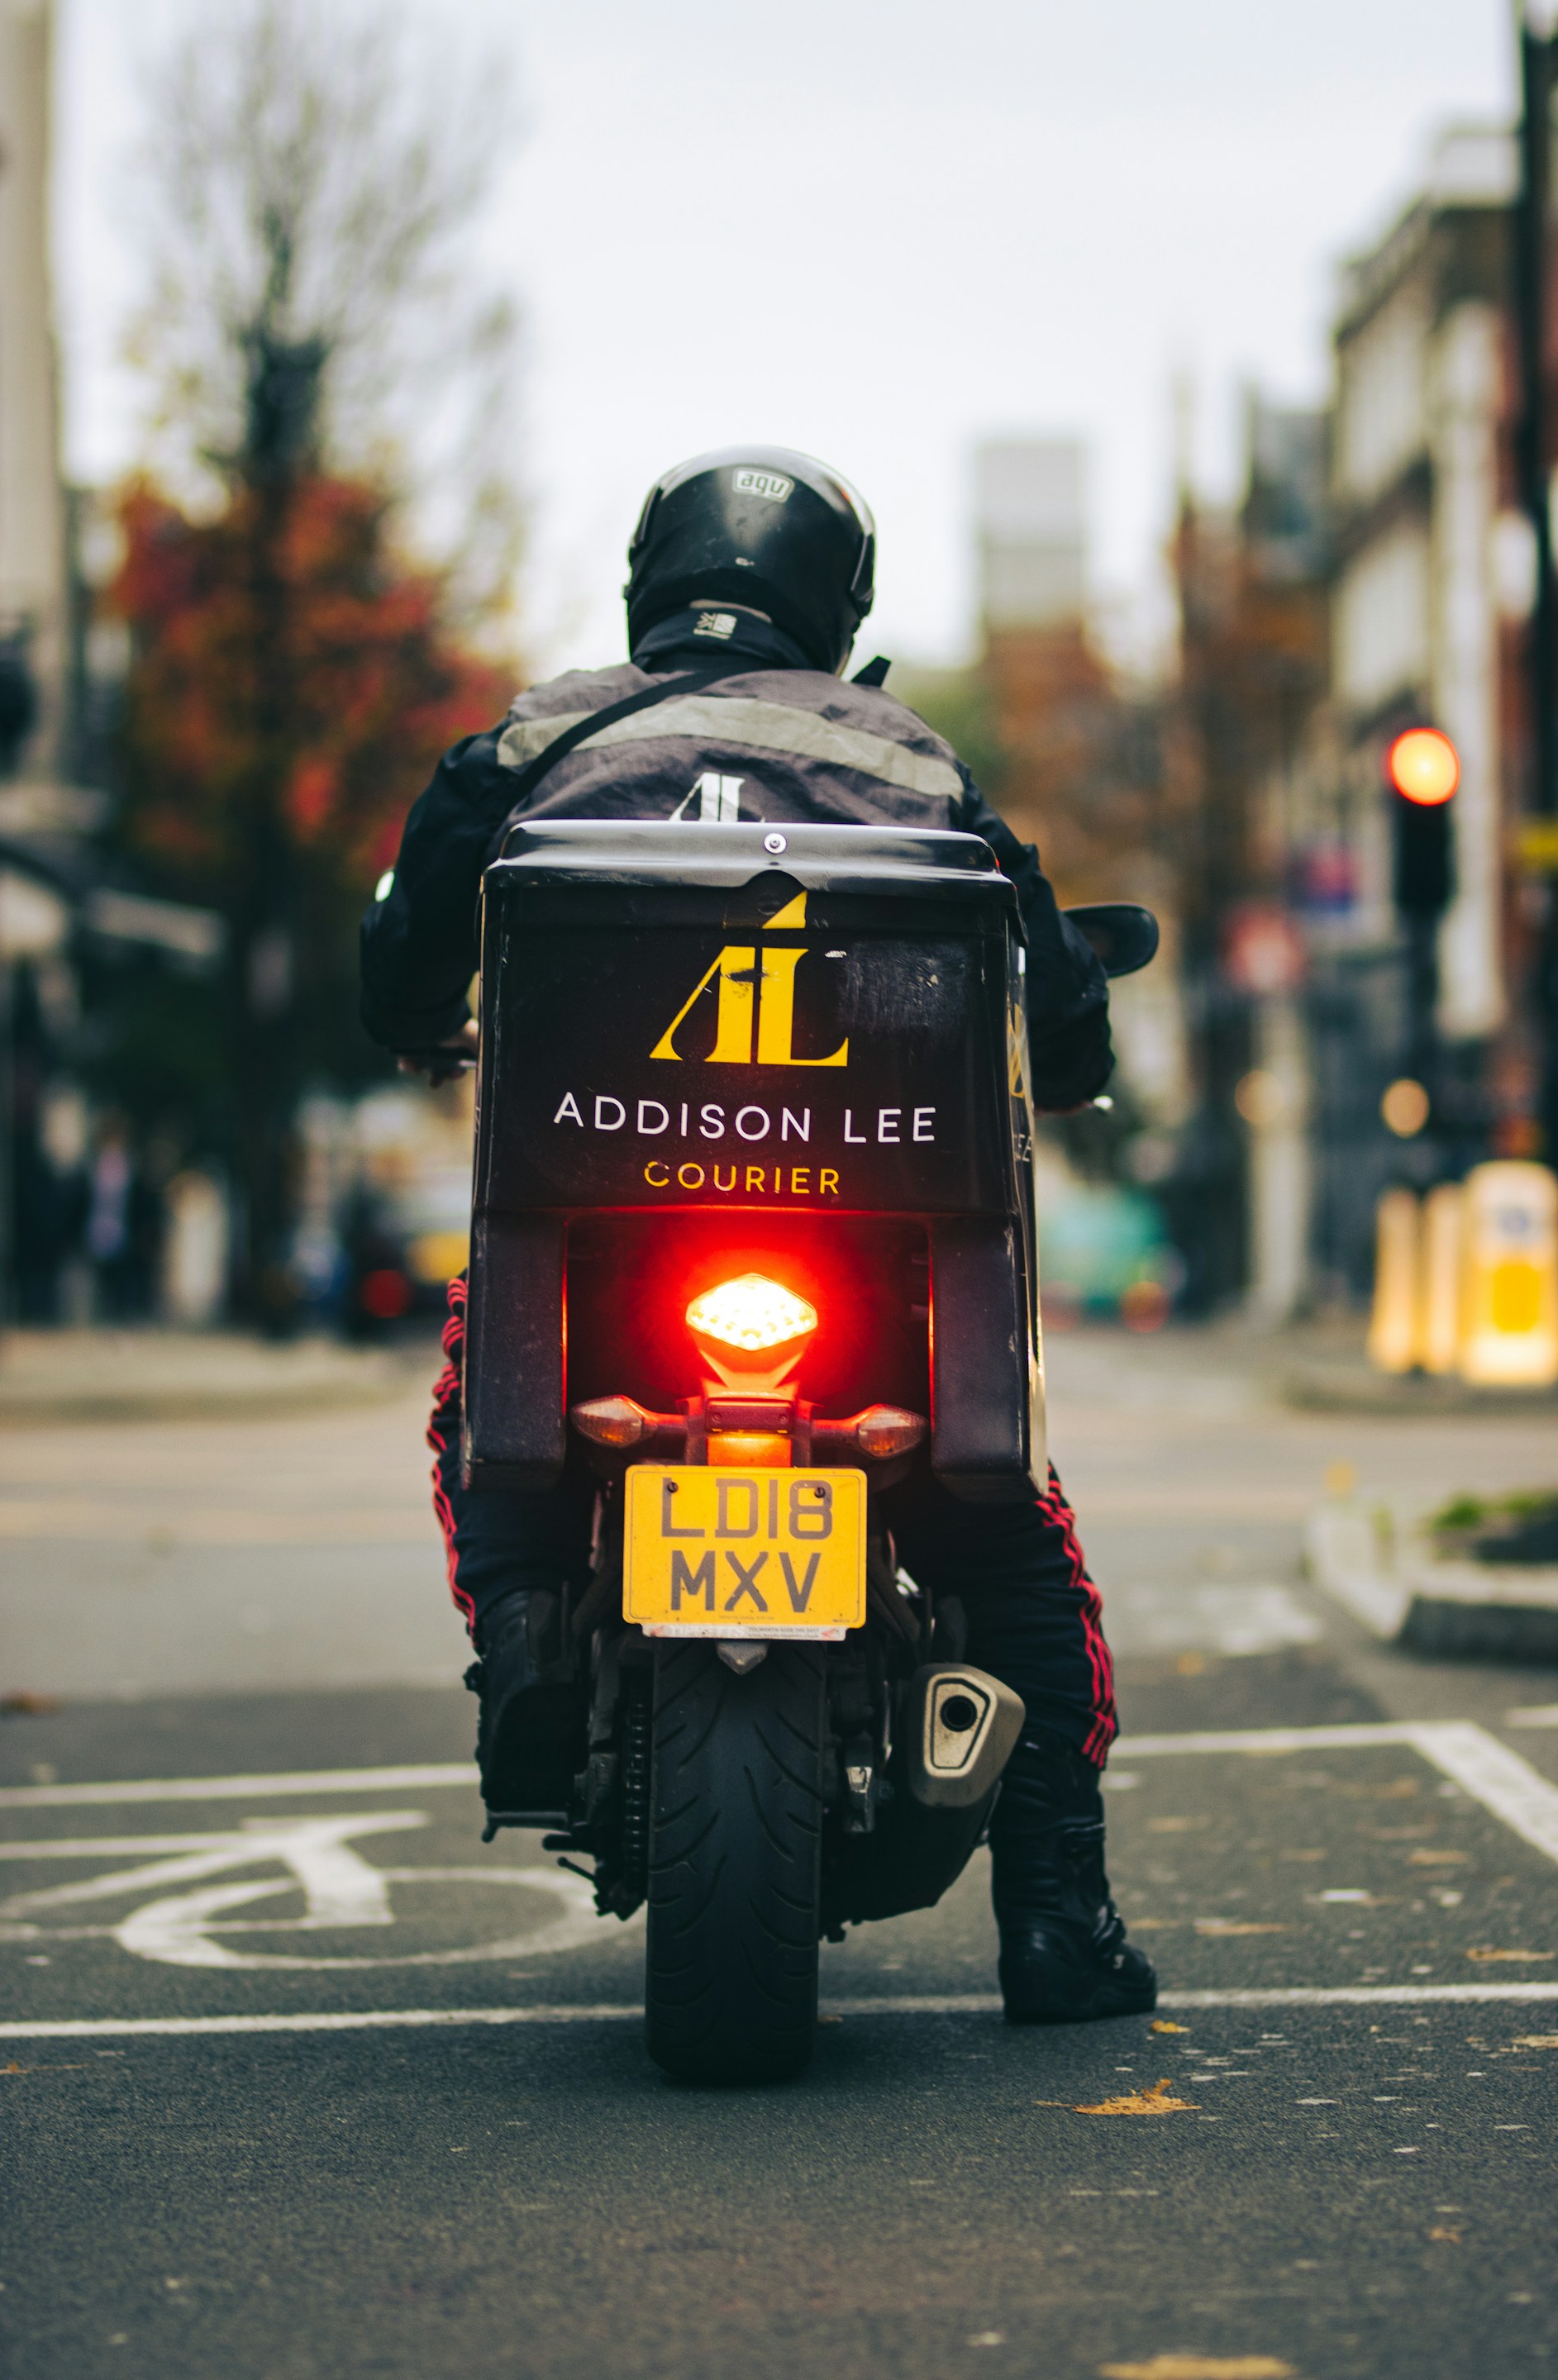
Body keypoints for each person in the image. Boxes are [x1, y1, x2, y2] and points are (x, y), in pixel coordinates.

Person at [360, 446, 1156, 2025]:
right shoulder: (911, 763)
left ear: (653, 583)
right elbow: (1054, 992)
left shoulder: (541, 736)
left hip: (602, 1248)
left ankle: (526, 1637)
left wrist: (407, 1012)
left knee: (484, 1409)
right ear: (835, 602)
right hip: (865, 1265)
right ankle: (1058, 1916)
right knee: (1009, 1545)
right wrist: (1069, 1058)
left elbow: (406, 947)